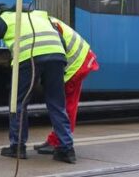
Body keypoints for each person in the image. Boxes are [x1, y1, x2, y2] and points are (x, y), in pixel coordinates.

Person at [0, 4, 76, 163]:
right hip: (57, 56)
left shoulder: (5, 18)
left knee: (18, 103)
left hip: (30, 57)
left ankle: (17, 147)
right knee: (56, 103)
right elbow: (61, 39)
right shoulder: (39, 15)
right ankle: (66, 149)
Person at [34, 18, 99, 155]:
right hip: (78, 60)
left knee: (65, 105)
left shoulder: (41, 25)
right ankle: (56, 139)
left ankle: (59, 141)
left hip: (76, 64)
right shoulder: (42, 21)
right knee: (63, 104)